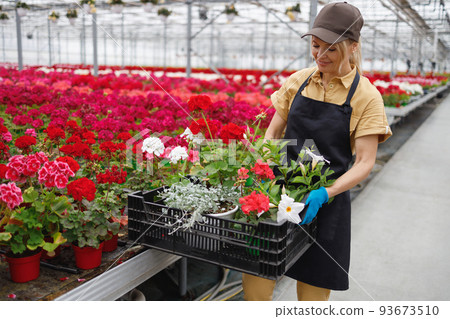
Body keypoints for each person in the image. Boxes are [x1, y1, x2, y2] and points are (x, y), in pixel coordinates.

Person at [242, 2, 392, 301]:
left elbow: (364, 162)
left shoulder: (366, 96)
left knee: (313, 295)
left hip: (326, 203)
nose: (320, 55)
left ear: (353, 47)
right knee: (257, 281)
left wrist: (326, 192)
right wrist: (262, 167)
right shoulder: (298, 81)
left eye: (331, 49)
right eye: (315, 45)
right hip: (277, 194)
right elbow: (272, 132)